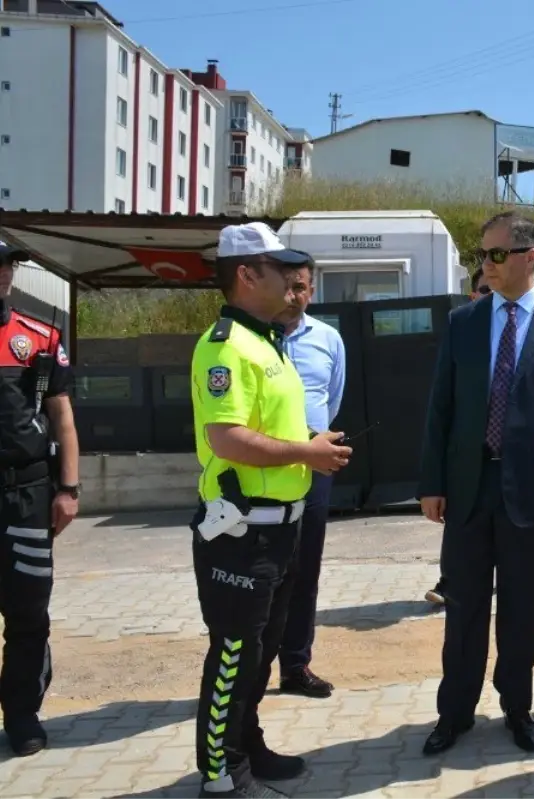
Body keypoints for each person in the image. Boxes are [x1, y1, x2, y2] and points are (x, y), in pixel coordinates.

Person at [417, 211, 534, 756]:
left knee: (521, 606)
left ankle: (517, 707)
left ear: (528, 256)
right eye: (482, 255)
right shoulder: (464, 322)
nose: (486, 265)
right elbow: (441, 407)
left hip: (532, 494)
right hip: (469, 489)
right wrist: (432, 481)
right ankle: (456, 712)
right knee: (465, 605)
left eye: (496, 254)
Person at [189, 222, 352, 798]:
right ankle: (220, 775)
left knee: (258, 654)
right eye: (280, 269)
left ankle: (246, 747)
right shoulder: (225, 347)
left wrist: (310, 440)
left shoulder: (267, 342)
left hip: (279, 529)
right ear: (246, 274)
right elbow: (227, 438)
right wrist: (306, 451)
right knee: (233, 655)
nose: (293, 280)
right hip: (241, 531)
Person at [0, 243, 79, 757]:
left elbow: (63, 417)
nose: (3, 274)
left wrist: (69, 488)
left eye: (6, 265)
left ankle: (22, 715)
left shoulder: (39, 336)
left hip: (25, 493)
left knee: (28, 614)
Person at [274, 264, 346, 700]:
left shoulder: (328, 339)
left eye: (300, 287)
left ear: (311, 291)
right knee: (265, 573)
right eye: (285, 286)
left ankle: (295, 666)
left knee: (304, 571)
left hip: (313, 472)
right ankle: (250, 669)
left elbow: (331, 399)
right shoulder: (250, 340)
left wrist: (311, 445)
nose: (292, 295)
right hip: (259, 471)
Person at [425, 267, 490, 607]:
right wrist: (432, 482)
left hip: (509, 471)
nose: (490, 294)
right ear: (473, 294)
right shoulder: (461, 329)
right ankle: (450, 582)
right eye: (484, 288)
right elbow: (441, 409)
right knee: (459, 533)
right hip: (464, 465)